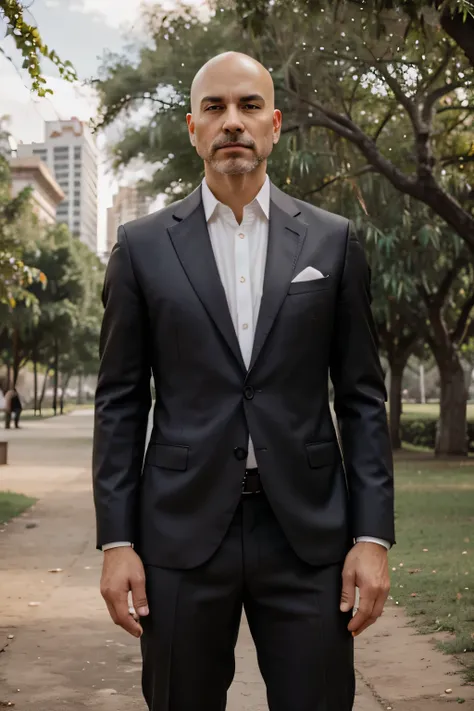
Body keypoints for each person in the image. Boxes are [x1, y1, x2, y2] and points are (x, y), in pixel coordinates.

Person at [93, 51, 395, 711]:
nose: (233, 121)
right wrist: (118, 541)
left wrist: (371, 536)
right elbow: (119, 402)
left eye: (249, 106)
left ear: (276, 124)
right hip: (179, 534)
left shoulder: (332, 242)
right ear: (192, 127)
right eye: (215, 107)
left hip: (308, 536)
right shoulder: (141, 246)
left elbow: (363, 399)